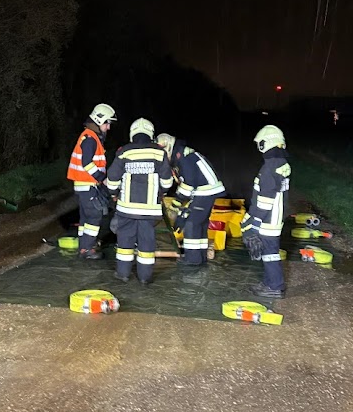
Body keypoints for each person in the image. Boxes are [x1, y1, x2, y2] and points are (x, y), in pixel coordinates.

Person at [106, 118, 173, 284]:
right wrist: (162, 192)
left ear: (132, 134)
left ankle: (123, 274)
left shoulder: (124, 151)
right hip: (149, 211)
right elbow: (167, 181)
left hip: (126, 209)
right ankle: (145, 277)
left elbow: (112, 178)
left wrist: (114, 193)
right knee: (147, 244)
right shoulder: (159, 153)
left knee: (125, 242)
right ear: (151, 134)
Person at [156, 133, 225, 266]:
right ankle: (201, 257)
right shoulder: (180, 155)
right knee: (200, 224)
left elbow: (188, 184)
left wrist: (176, 205)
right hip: (205, 191)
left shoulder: (183, 157)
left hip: (205, 190)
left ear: (167, 147)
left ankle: (192, 259)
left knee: (191, 224)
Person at [241, 124, 291, 298]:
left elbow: (264, 200)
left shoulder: (270, 167)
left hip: (268, 219)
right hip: (275, 216)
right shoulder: (281, 162)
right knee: (270, 252)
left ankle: (275, 287)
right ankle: (270, 283)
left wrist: (254, 223)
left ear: (266, 143)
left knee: (270, 253)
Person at [66, 103, 117, 259]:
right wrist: (102, 179)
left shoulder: (89, 136)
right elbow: (87, 163)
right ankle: (88, 249)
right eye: (107, 123)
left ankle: (84, 246)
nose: (108, 127)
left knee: (85, 218)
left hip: (83, 186)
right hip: (88, 185)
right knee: (94, 216)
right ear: (99, 120)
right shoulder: (90, 139)